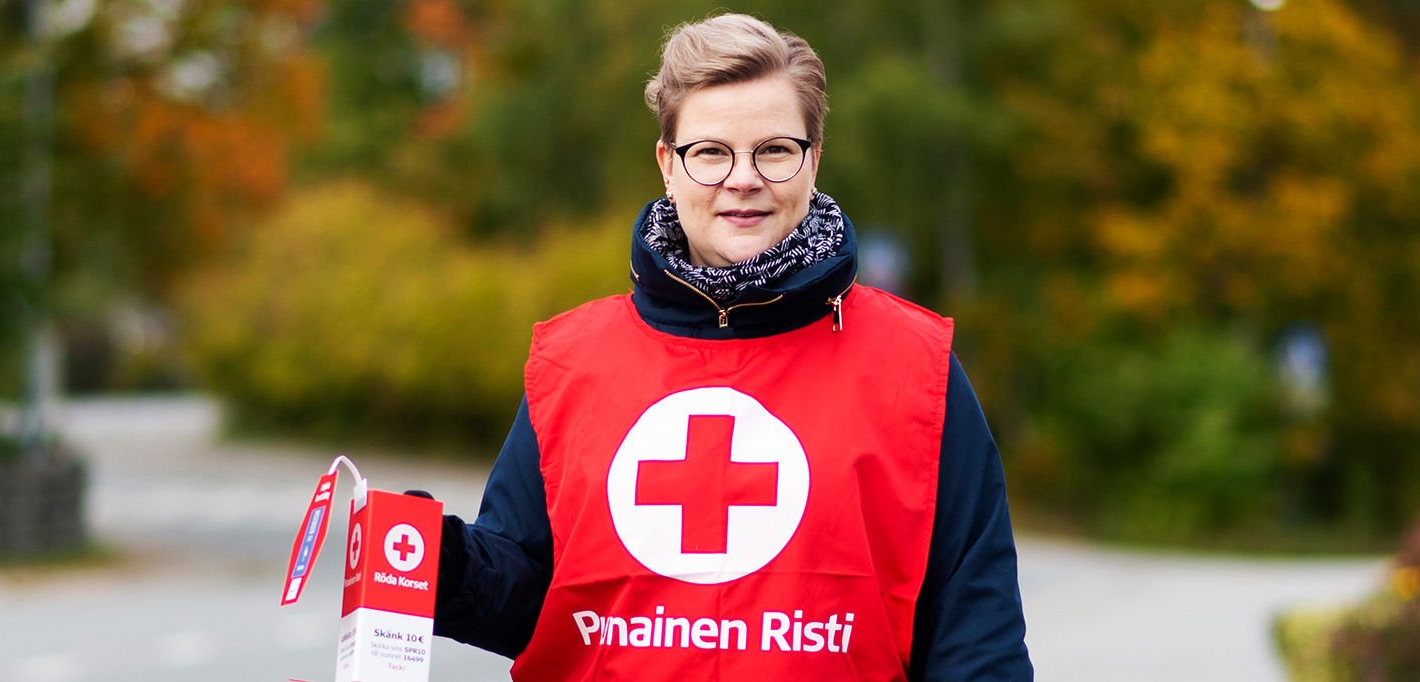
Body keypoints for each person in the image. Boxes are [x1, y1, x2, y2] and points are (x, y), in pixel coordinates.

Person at [430, 13, 1033, 681]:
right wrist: (441, 563)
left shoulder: (915, 369)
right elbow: (536, 600)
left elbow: (977, 642)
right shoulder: (573, 363)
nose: (743, 178)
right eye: (712, 151)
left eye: (774, 150)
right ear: (668, 164)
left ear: (814, 158)